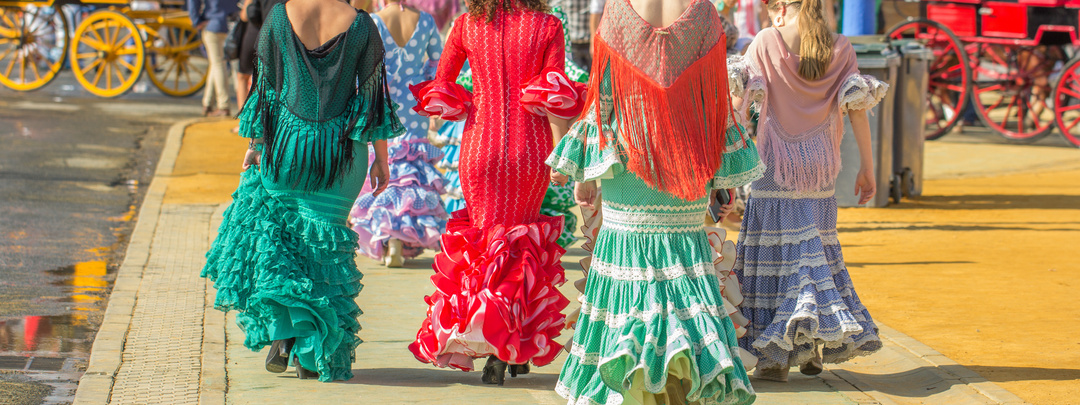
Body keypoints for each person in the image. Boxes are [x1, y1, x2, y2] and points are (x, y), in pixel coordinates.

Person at [548, 0, 764, 403]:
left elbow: (604, 98)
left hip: (630, 161)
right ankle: (679, 386)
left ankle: (633, 386)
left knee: (630, 276)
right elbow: (715, 96)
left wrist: (588, 172)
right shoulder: (702, 12)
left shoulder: (616, 10)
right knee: (684, 276)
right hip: (687, 163)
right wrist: (720, 171)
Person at [200, 0, 403, 382]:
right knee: (324, 255)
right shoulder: (362, 25)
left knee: (280, 244)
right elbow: (373, 96)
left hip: (287, 146)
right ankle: (311, 355)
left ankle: (286, 332)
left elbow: (265, 85)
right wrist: (381, 159)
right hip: (341, 153)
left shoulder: (279, 14)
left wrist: (256, 143)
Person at [407, 0, 586, 385]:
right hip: (530, 148)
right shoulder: (548, 24)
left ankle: (493, 345)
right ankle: (511, 347)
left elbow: (445, 83)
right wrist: (561, 154)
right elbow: (554, 95)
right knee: (521, 246)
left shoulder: (466, 24)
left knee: (487, 247)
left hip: (479, 145)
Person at [728, 0, 887, 382]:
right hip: (821, 166)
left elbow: (738, 105)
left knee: (773, 256)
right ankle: (810, 343)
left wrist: (728, 166)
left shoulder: (766, 40)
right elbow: (857, 110)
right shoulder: (840, 46)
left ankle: (774, 358)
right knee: (813, 249)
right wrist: (868, 166)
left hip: (775, 164)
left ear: (783, 5)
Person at [350, 1, 447, 267]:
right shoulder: (426, 20)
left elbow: (364, 65)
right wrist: (424, 85)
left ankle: (389, 236)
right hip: (416, 102)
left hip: (384, 100)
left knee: (385, 160)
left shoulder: (374, 20)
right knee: (410, 167)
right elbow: (440, 62)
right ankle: (402, 237)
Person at [187, 0, 238, 117]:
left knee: (218, 64)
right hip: (232, 23)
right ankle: (208, 103)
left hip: (213, 23)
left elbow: (193, 3)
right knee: (216, 64)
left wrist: (196, 21)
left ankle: (223, 106)